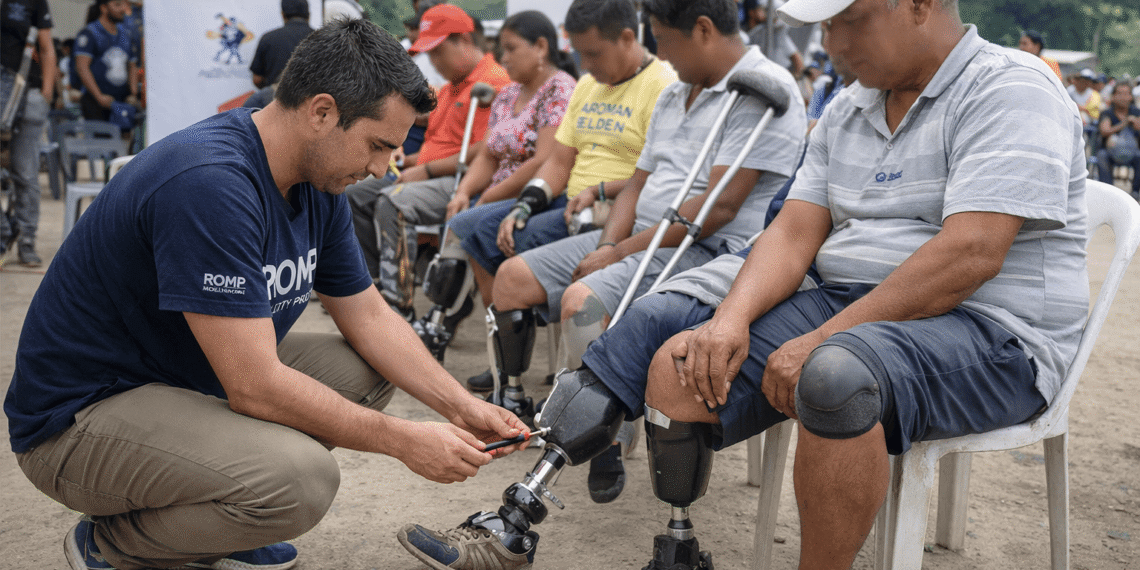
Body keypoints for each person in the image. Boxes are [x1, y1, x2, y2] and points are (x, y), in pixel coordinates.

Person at [397, 0, 1091, 569]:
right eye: (825, 25)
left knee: (834, 374)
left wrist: (822, 337)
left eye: (850, 20)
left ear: (920, 5)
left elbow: (970, 255)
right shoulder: (852, 106)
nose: (833, 41)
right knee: (684, 358)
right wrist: (729, 321)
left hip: (992, 327)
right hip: (852, 303)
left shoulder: (1011, 86)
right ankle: (584, 534)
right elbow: (792, 233)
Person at [4, 18, 532, 570]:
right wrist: (405, 440)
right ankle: (114, 546)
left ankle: (220, 515)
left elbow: (371, 317)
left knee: (366, 370)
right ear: (322, 112)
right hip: (78, 422)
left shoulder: (315, 176)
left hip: (177, 379)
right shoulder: (212, 182)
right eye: (378, 146)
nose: (382, 168)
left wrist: (462, 405)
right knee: (301, 480)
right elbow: (255, 386)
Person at [446, 0, 678, 390]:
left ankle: (534, 357)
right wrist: (525, 204)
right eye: (579, 54)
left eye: (593, 54)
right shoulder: (588, 85)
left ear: (627, 38)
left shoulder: (663, 85)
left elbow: (662, 176)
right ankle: (510, 370)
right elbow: (557, 162)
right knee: (482, 232)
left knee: (504, 261)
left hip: (621, 213)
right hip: (570, 206)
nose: (584, 66)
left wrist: (599, 190)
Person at [409, 10, 580, 361]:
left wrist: (485, 197)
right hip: (498, 191)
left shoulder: (560, 89)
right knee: (462, 217)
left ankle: (446, 323)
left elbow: (542, 160)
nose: (503, 59)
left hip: (538, 192)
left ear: (541, 47)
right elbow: (487, 155)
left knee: (467, 224)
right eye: (501, 50)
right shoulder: (507, 94)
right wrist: (463, 191)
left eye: (511, 49)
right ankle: (487, 336)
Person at [345, 4, 509, 321]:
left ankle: (399, 309)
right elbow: (442, 145)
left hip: (468, 181)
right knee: (353, 195)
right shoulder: (451, 88)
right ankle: (370, 285)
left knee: (394, 202)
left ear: (464, 40)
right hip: (427, 175)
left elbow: (484, 152)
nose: (433, 62)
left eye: (438, 52)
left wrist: (424, 170)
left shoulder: (492, 83)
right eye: (429, 54)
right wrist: (404, 157)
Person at [1, 0, 56, 266]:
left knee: (24, 173)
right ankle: (4, 233)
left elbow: (46, 47)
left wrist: (46, 92)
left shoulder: (32, 2)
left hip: (24, 92)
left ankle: (25, 240)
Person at [74, 0, 138, 124]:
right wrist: (99, 97)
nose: (123, 9)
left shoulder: (126, 34)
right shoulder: (90, 33)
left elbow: (132, 65)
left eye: (124, 5)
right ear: (104, 8)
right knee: (100, 141)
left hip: (122, 101)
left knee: (125, 141)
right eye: (117, 5)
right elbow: (82, 67)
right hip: (96, 102)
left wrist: (133, 94)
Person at [249, 0, 314, 89]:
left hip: (276, 98)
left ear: (283, 15)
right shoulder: (323, 39)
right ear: (309, 15)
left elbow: (257, 79)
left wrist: (270, 90)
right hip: (314, 100)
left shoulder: (268, 38)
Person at [1096, 81, 1140, 198]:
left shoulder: (1136, 112)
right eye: (1119, 93)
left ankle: (1135, 192)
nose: (1123, 97)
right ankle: (1108, 193)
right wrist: (1124, 123)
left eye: (1126, 94)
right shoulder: (1107, 113)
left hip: (1132, 152)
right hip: (1110, 152)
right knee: (1101, 156)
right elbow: (1104, 131)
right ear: (1113, 96)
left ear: (1131, 96)